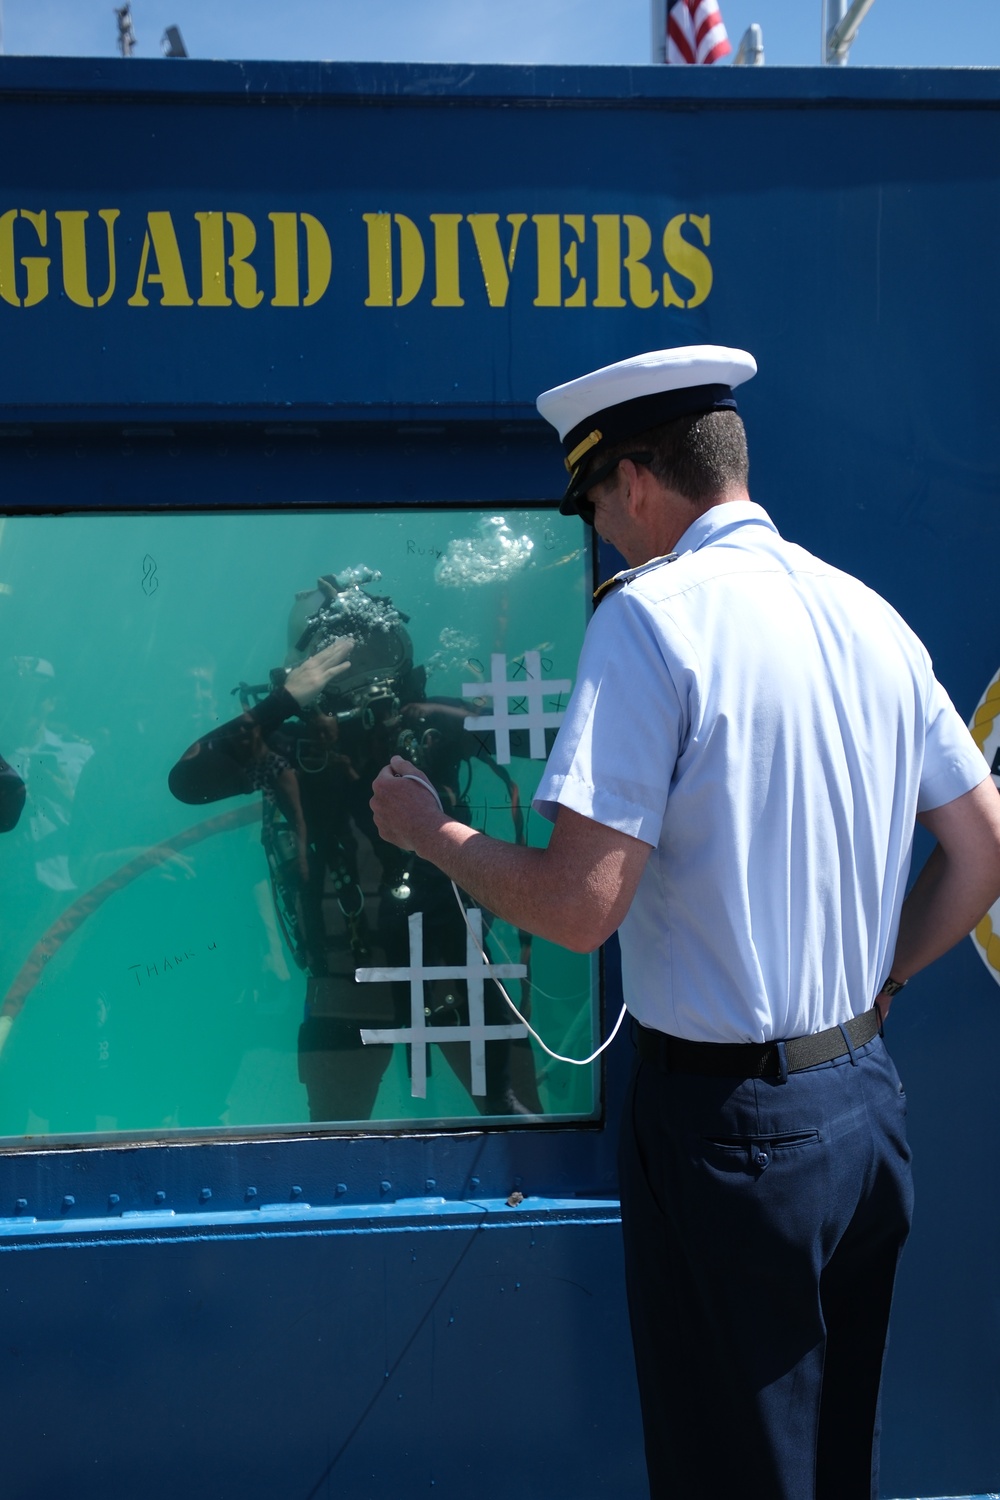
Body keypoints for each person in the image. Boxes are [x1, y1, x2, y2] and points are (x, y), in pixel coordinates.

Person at [370, 345, 1000, 1500]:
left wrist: (430, 835)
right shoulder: (871, 617)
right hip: (863, 1106)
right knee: (832, 1464)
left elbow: (578, 907)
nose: (603, 534)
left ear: (640, 481)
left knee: (734, 1471)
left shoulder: (651, 623)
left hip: (731, 1129)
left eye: (598, 503)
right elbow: (981, 852)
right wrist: (880, 985)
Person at [170, 566, 539, 1123]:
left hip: (453, 971)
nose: (364, 673)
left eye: (376, 653)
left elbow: (557, 742)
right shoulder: (289, 746)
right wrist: (282, 704)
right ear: (309, 668)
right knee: (334, 1154)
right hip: (344, 980)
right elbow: (188, 782)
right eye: (341, 658)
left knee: (525, 1128)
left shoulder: (429, 730)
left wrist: (469, 722)